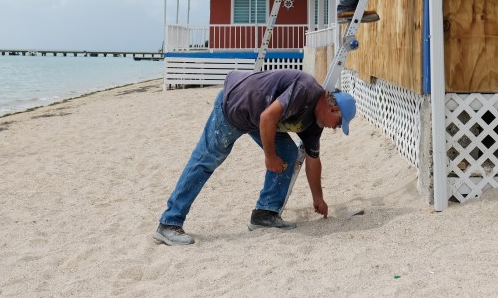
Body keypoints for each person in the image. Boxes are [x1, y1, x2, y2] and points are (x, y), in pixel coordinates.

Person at [153, 68, 357, 246]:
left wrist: (318, 198)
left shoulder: (315, 124)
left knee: (287, 152)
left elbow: (313, 161)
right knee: (206, 161)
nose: (335, 128)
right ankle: (169, 223)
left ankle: (265, 214)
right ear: (333, 108)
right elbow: (267, 117)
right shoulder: (306, 89)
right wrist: (270, 157)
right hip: (233, 106)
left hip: (257, 119)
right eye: (338, 123)